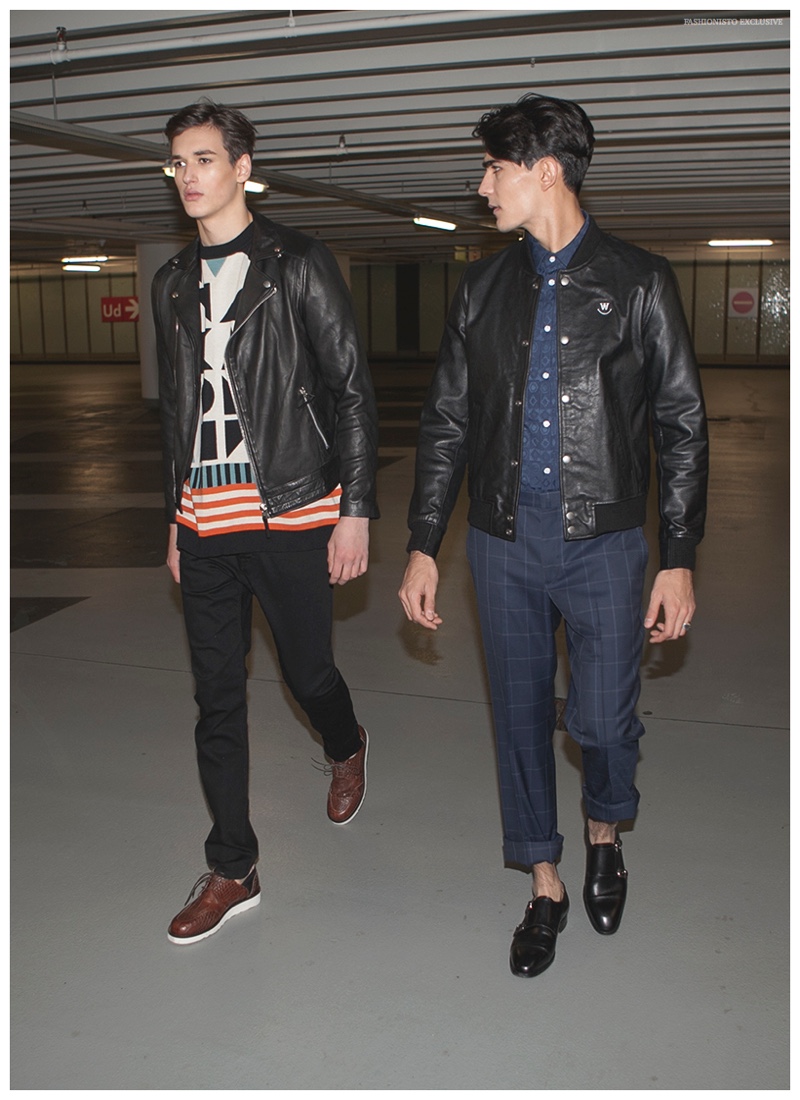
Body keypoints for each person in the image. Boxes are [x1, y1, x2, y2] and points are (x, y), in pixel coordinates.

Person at [399, 93, 708, 977]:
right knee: (521, 719)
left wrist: (678, 558)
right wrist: (424, 542)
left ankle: (605, 832)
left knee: (603, 722)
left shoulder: (640, 280)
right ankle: (545, 883)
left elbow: (682, 425)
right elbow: (448, 421)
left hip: (604, 542)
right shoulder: (482, 288)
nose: (482, 185)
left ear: (545, 172)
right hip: (502, 542)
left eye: (493, 169)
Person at [152, 101, 379, 945]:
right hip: (205, 520)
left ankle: (345, 742)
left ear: (244, 168)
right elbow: (175, 411)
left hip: (291, 510)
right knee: (216, 698)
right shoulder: (170, 281)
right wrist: (174, 517)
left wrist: (356, 509)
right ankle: (233, 867)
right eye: (177, 163)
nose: (189, 176)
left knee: (308, 674)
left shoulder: (298, 263)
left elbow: (351, 390)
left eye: (204, 159)